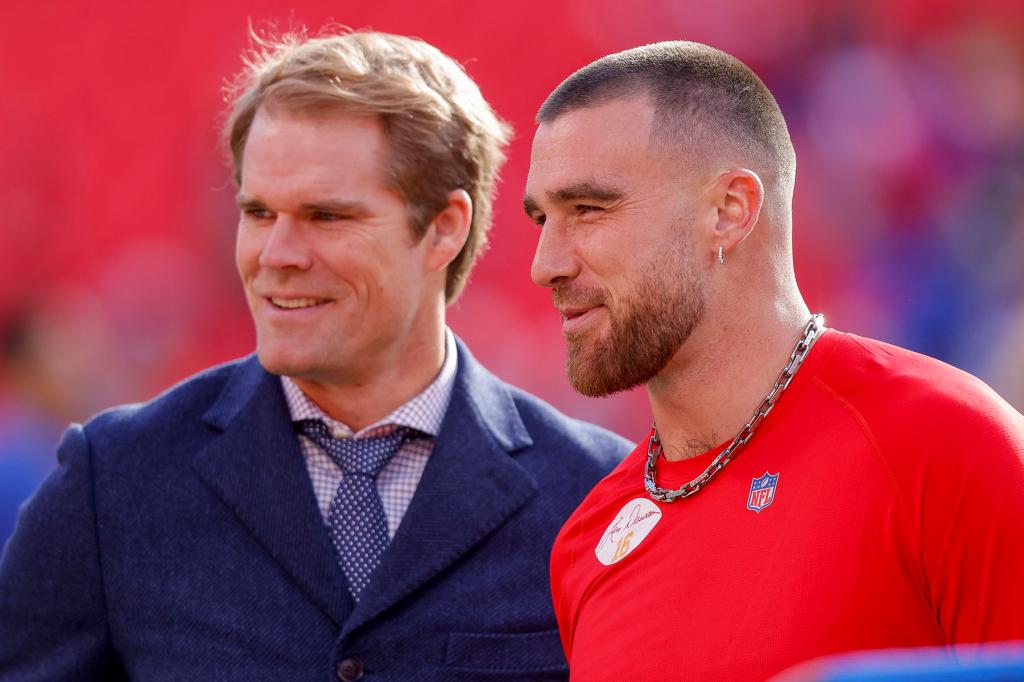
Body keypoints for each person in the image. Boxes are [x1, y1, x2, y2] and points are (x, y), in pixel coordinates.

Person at [0, 30, 631, 681]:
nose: (277, 255)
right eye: (259, 213)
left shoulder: (595, 495)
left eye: (326, 216)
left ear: (445, 226)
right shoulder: (115, 480)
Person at [523, 41, 1024, 681]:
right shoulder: (587, 542)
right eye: (542, 218)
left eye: (588, 209)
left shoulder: (942, 444)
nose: (546, 265)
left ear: (730, 211)